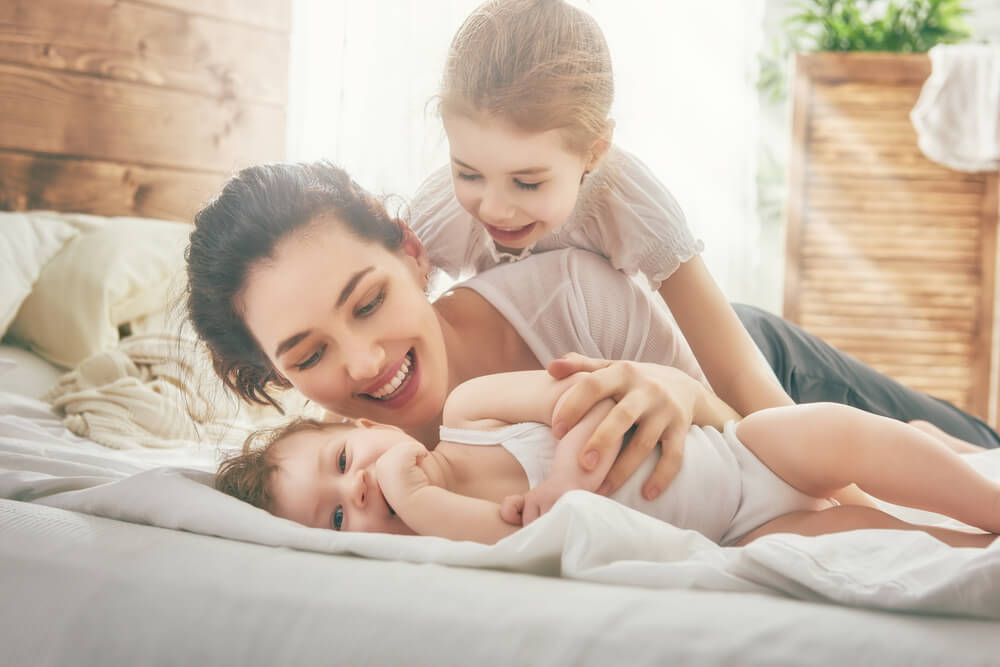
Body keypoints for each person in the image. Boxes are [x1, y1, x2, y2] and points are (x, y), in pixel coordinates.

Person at [184, 161, 996, 510]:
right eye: (309, 354)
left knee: (973, 449)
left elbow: (755, 443)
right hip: (716, 424)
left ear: (409, 251)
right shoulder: (335, 468)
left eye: (367, 303)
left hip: (741, 368)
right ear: (275, 372)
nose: (364, 362)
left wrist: (678, 389)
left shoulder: (570, 294)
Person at [408, 0, 1000, 462]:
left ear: (595, 151)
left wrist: (828, 486)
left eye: (528, 183)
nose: (495, 207)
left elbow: (743, 378)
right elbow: (390, 327)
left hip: (751, 357)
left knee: (938, 443)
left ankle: (945, 438)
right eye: (469, 172)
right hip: (677, 378)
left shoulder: (628, 199)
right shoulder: (443, 210)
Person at [215, 369, 1000, 549]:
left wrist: (562, 478)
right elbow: (514, 537)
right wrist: (416, 503)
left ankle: (984, 500)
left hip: (737, 454)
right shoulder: (443, 536)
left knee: (844, 435)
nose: (358, 485)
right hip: (743, 533)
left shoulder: (468, 412)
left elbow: (588, 394)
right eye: (339, 516)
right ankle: (973, 549)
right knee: (861, 541)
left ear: (360, 423)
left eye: (345, 456)